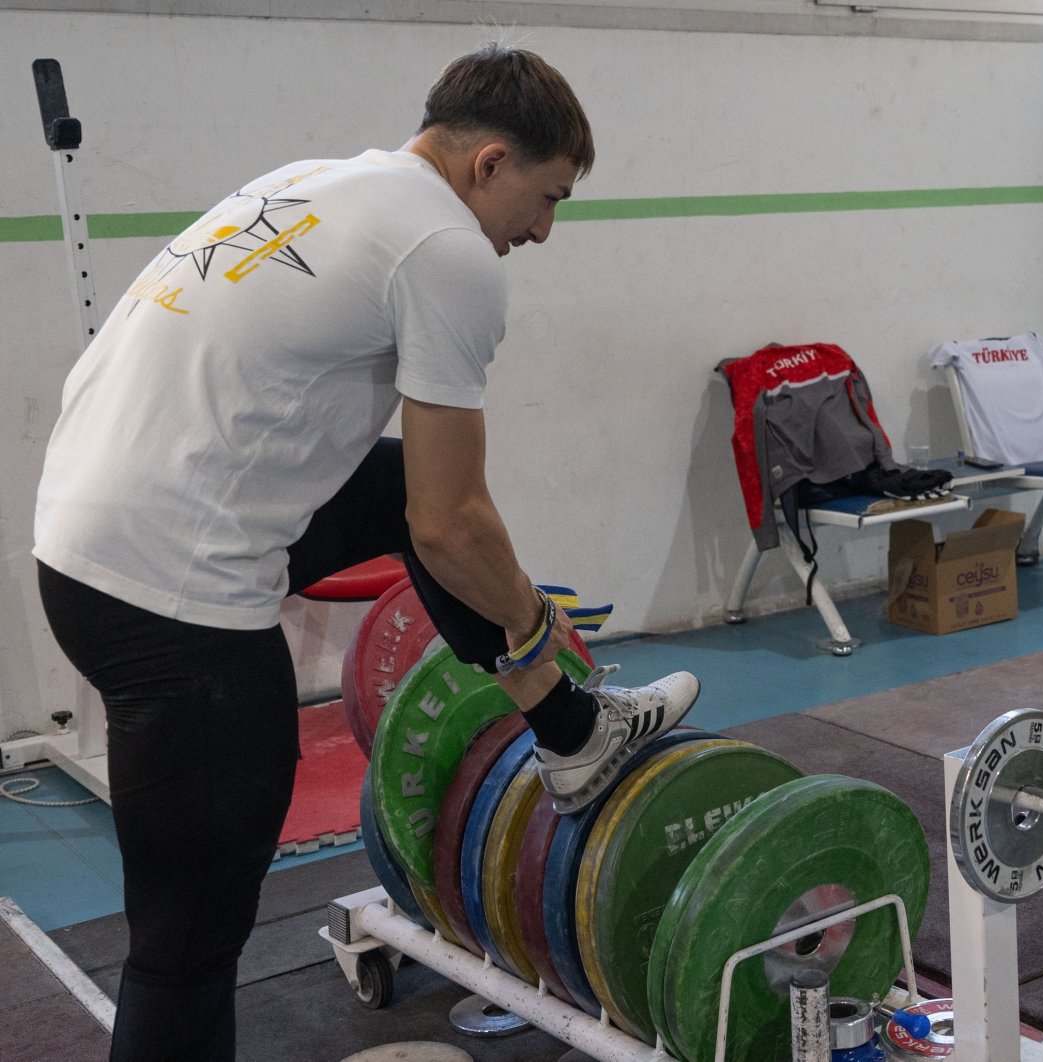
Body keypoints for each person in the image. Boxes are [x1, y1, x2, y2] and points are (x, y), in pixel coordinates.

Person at [32, 45, 698, 1060]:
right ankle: (568, 718)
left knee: (382, 481)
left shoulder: (312, 182)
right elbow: (452, 524)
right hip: (175, 607)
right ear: (487, 164)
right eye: (546, 197)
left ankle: (571, 739)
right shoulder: (447, 251)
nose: (543, 230)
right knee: (187, 945)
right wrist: (529, 625)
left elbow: (411, 504)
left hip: (74, 546)